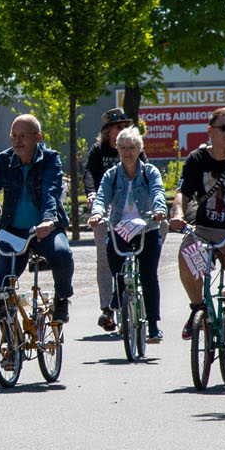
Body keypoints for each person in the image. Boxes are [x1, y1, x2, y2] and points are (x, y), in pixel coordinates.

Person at [168, 106, 225, 338]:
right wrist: (178, 215)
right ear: (210, 131)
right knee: (186, 253)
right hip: (204, 229)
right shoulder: (197, 159)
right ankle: (198, 309)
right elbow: (183, 192)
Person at [0, 115, 75, 323]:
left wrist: (47, 220)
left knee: (62, 254)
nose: (17, 141)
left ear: (38, 137)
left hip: (45, 229)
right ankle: (10, 336)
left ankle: (62, 298)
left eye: (23, 136)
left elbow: (50, 191)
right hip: (13, 232)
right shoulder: (3, 160)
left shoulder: (50, 159)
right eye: (13, 136)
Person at [89, 127, 168, 342]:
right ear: (117, 148)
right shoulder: (112, 175)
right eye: (123, 147)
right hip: (120, 229)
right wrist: (97, 214)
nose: (127, 152)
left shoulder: (149, 172)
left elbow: (159, 192)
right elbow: (102, 196)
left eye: (132, 147)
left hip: (146, 228)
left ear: (139, 149)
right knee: (115, 263)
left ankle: (153, 325)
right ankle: (120, 294)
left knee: (148, 273)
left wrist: (160, 210)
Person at [85, 109, 128, 329]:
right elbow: (90, 174)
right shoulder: (98, 150)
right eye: (118, 127)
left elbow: (148, 172)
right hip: (104, 208)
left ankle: (136, 302)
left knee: (135, 254)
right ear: (108, 130)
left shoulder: (132, 147)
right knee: (104, 260)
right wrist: (91, 194)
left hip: (130, 208)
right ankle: (107, 310)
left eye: (124, 126)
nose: (122, 130)